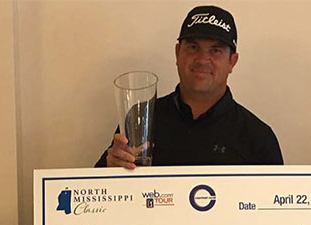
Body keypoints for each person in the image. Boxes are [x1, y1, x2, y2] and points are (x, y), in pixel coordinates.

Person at [95, 5, 283, 169]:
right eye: (193, 47)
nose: (202, 59)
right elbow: (101, 196)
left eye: (215, 51)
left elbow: (275, 208)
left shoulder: (258, 137)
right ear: (178, 53)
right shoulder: (140, 117)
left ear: (232, 62)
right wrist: (111, 166)